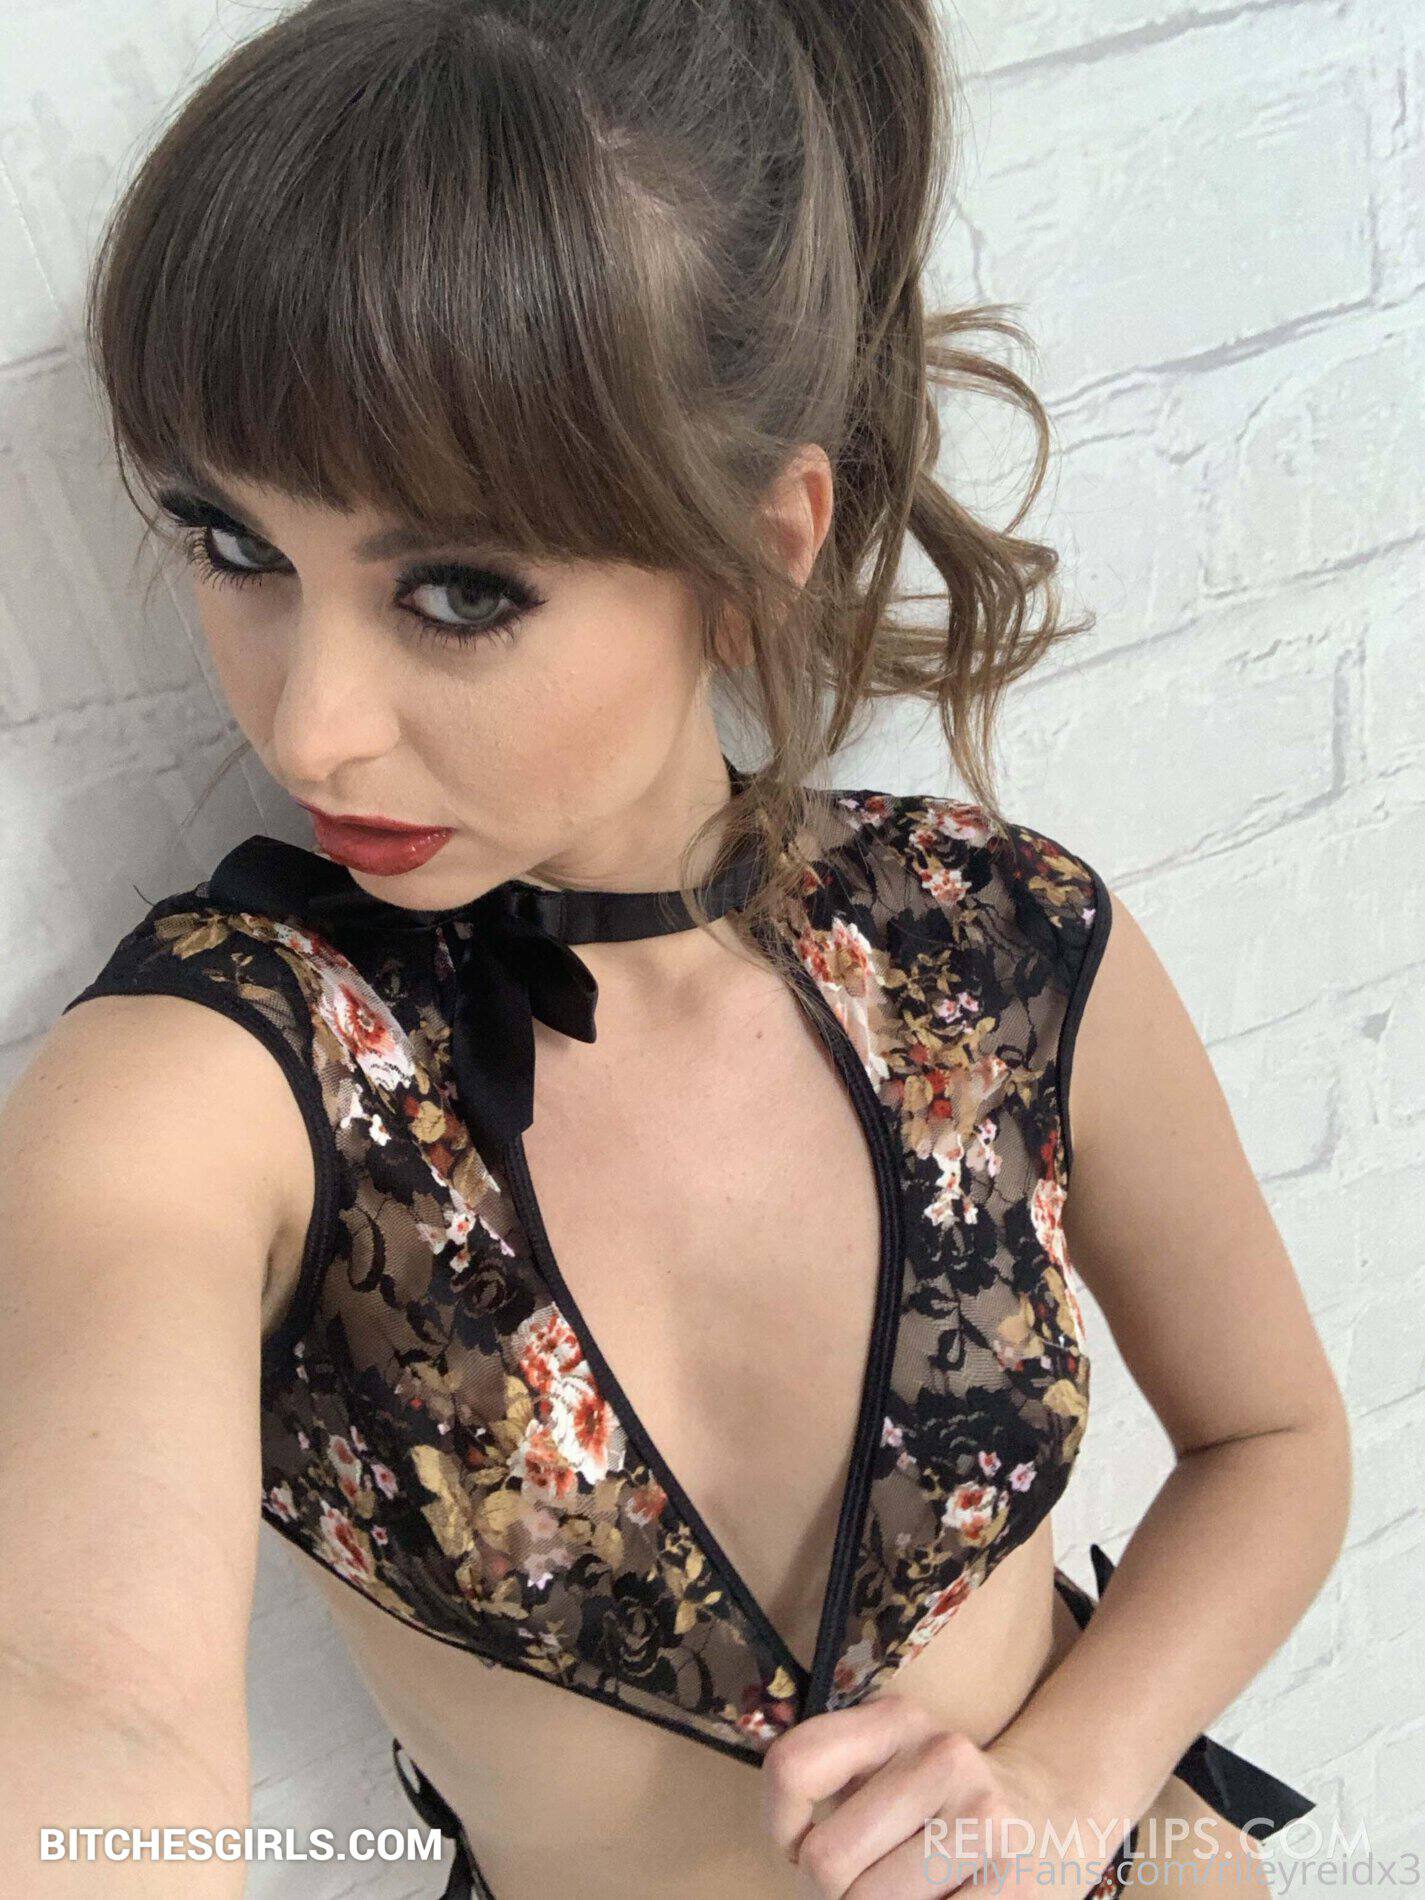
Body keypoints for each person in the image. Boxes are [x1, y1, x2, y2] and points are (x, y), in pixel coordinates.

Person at [0, 1, 1348, 1896]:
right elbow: (89, 1711)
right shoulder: (220, 1080)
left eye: (455, 592)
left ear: (751, 548)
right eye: (234, 548)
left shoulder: (996, 942)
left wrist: (1060, 1789)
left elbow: (1272, 1439)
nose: (310, 729)